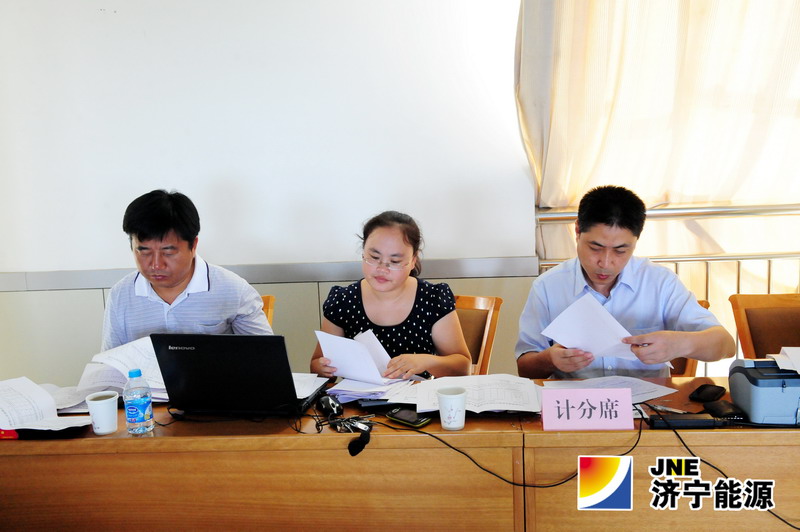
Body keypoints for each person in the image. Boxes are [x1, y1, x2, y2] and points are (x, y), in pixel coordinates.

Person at [516, 185, 735, 379]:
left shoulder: (660, 282)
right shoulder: (548, 286)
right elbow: (525, 368)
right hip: (578, 404)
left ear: (636, 241)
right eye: (595, 248)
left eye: (620, 250)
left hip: (649, 404)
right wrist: (549, 359)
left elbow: (726, 345)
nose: (605, 263)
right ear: (577, 231)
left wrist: (679, 344)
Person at [101, 189, 272, 350]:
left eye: (168, 252)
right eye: (144, 251)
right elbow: (110, 363)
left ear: (193, 245)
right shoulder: (121, 295)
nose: (156, 265)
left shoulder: (234, 291)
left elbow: (266, 358)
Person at [310, 211, 471, 379]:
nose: (382, 269)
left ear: (413, 260)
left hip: (418, 394)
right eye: (374, 257)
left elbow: (463, 368)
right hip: (356, 395)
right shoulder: (343, 301)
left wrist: (426, 362)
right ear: (363, 252)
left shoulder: (432, 299)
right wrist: (323, 368)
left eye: (394, 262)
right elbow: (316, 365)